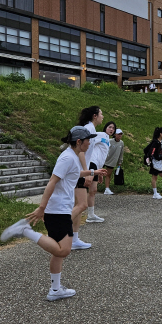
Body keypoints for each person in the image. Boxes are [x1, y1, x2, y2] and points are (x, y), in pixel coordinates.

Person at [0, 126, 107, 301]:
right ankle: (25, 231)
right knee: (63, 250)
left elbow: (73, 173)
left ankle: (55, 290)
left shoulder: (71, 157)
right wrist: (41, 208)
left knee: (58, 252)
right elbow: (52, 182)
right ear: (79, 142)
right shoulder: (67, 157)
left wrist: (93, 172)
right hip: (57, 210)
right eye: (88, 140)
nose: (90, 142)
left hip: (60, 209)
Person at [70, 106, 103, 249]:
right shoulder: (89, 129)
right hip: (79, 170)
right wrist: (88, 172)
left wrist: (93, 172)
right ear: (95, 116)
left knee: (79, 205)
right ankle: (58, 231)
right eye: (101, 114)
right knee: (80, 205)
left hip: (81, 169)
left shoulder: (91, 128)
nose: (103, 116)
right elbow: (81, 153)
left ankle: (73, 239)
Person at [86, 121, 115, 218]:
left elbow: (102, 156)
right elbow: (89, 143)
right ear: (105, 128)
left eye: (113, 128)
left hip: (96, 166)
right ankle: (78, 209)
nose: (111, 129)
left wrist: (99, 172)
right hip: (91, 162)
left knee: (93, 190)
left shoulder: (108, 141)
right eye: (109, 127)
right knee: (86, 187)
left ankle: (91, 214)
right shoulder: (100, 134)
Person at [146, 127, 162, 199]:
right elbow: (152, 152)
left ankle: (155, 192)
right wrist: (159, 157)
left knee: (161, 174)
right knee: (154, 177)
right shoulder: (155, 142)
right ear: (160, 134)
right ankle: (155, 193)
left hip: (160, 162)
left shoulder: (160, 142)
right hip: (154, 162)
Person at [102, 128, 125, 194]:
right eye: (118, 134)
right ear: (115, 134)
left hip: (112, 161)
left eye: (121, 134)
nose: (120, 136)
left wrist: (120, 163)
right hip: (105, 159)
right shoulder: (110, 141)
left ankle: (107, 188)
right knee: (98, 173)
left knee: (108, 174)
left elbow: (121, 153)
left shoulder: (121, 143)